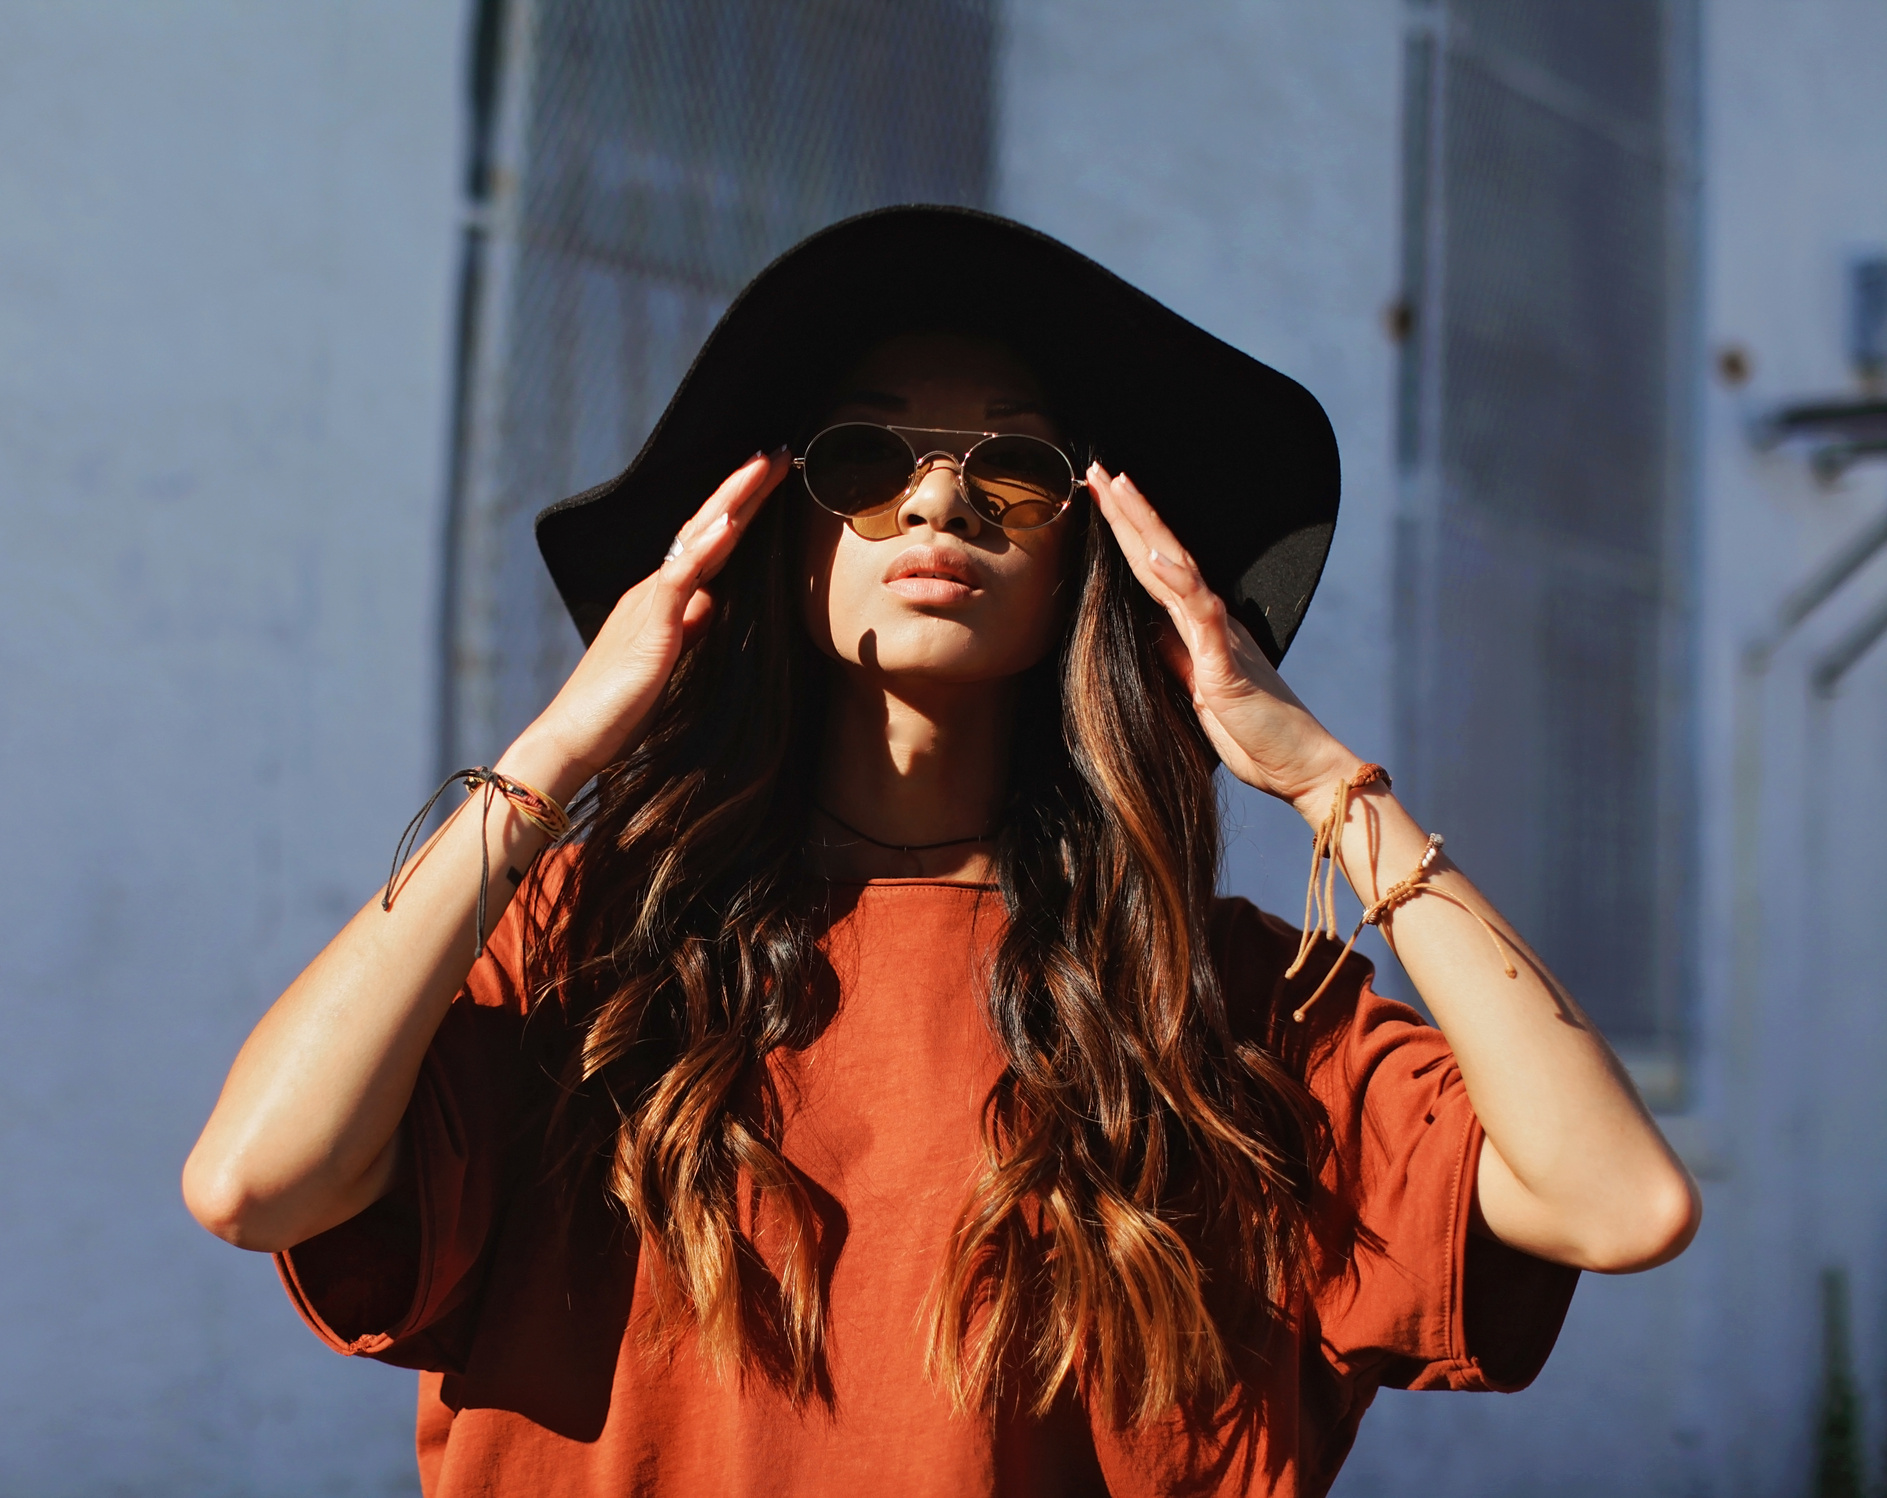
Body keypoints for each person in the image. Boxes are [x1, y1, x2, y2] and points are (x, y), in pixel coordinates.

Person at [182, 207, 1699, 1496]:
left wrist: (1317, 777)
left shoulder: (1220, 999)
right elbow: (255, 1180)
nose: (937, 493)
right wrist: (558, 753)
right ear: (779, 532)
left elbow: (1617, 1200)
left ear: (1087, 556)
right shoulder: (597, 948)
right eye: (865, 454)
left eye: (1017, 465)